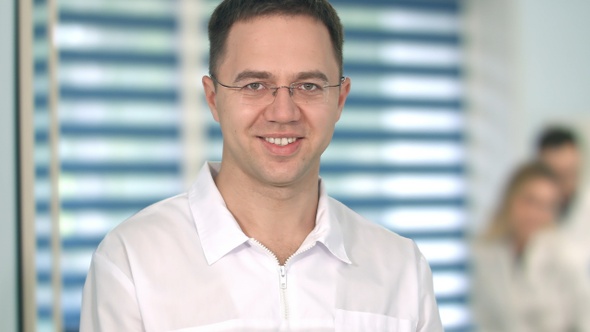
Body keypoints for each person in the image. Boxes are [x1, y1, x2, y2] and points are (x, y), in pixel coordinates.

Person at [80, 0, 443, 331]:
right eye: (255, 85)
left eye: (309, 86)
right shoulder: (131, 262)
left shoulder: (401, 269)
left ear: (340, 99)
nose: (283, 113)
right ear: (213, 98)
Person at [471, 162, 590, 332]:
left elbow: (585, 319)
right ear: (511, 199)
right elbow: (485, 319)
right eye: (530, 201)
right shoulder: (488, 254)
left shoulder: (566, 255)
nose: (536, 214)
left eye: (547, 206)